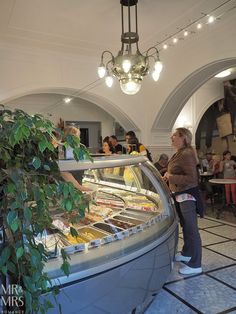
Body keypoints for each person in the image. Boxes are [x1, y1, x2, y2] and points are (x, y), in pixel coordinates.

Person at [163, 127, 203, 275]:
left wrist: (170, 177)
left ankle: (196, 264)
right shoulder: (180, 152)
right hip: (179, 194)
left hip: (187, 195)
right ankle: (187, 253)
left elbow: (192, 179)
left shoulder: (187, 153)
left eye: (175, 135)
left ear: (183, 138)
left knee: (192, 230)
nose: (172, 138)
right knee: (186, 227)